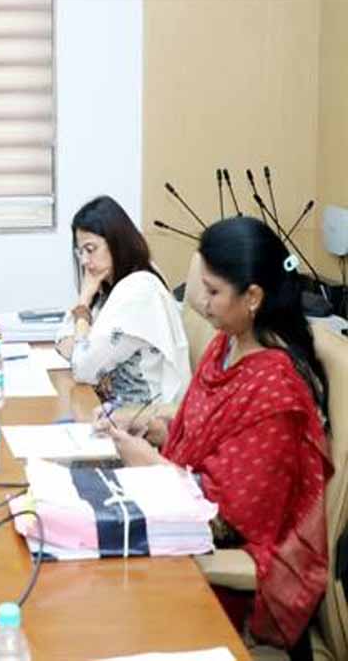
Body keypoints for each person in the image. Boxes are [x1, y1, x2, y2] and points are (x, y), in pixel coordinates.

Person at [100, 217, 331, 649]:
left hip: (220, 574)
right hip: (175, 528)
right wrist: (154, 429)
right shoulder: (228, 343)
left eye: (212, 292)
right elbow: (208, 437)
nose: (201, 304)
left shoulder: (276, 390)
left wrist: (151, 466)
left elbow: (226, 521)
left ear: (253, 297)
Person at [55, 196, 191, 406]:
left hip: (140, 415)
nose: (84, 261)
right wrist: (84, 301)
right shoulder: (112, 283)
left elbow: (82, 368)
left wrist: (83, 308)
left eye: (90, 249)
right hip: (112, 407)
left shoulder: (138, 290)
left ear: (116, 242)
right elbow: (62, 340)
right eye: (80, 252)